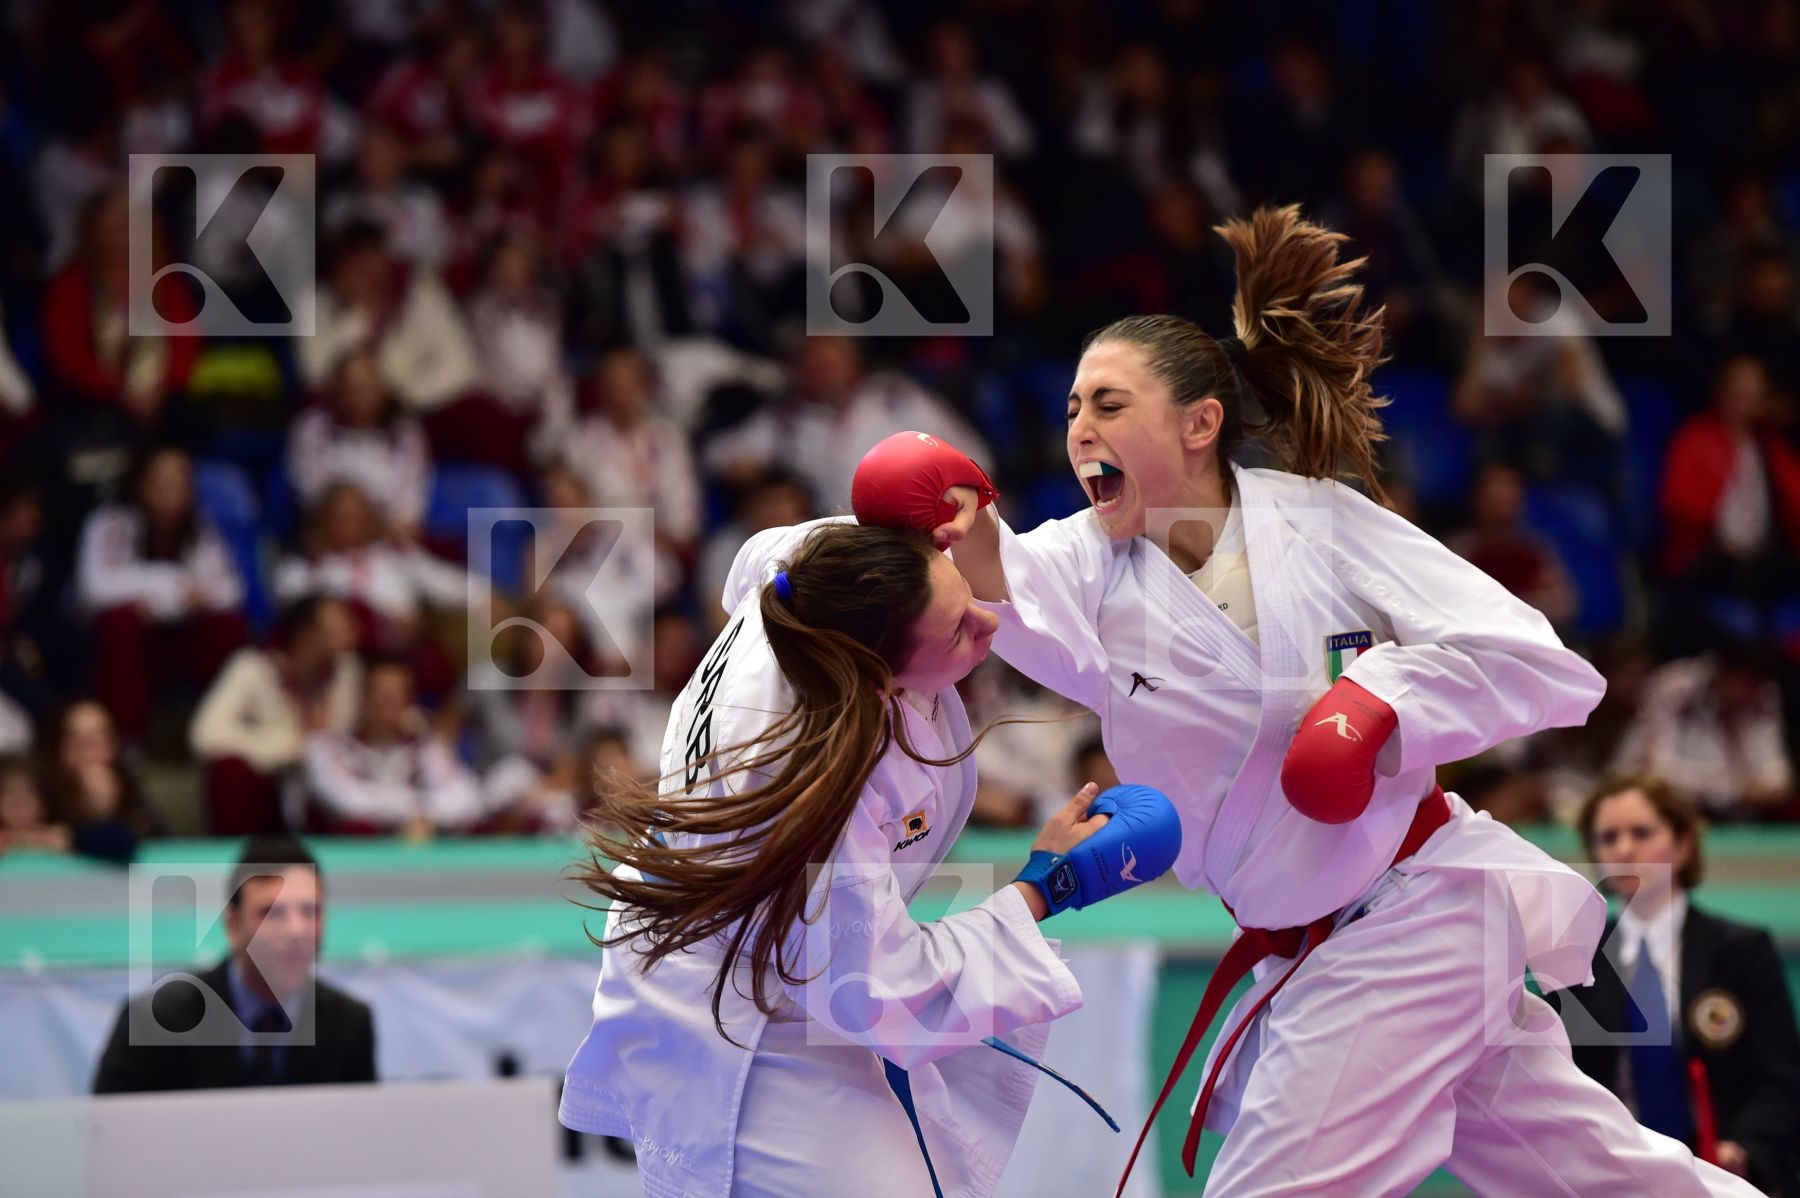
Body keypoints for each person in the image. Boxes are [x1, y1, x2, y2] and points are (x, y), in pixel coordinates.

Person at [853, 204, 1762, 1195]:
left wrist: (1381, 697)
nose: (1080, 428)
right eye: (1071, 408)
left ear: (1200, 424)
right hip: (1314, 947)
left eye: (1108, 404)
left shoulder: (1323, 527)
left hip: (1417, 909)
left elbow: (1537, 658)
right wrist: (961, 516)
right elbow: (1004, 584)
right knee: (1605, 1177)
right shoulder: (1087, 565)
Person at [561, 520, 1182, 1198]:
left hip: (781, 958)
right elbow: (873, 990)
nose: (987, 624)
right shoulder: (818, 776)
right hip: (738, 1020)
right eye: (955, 629)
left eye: (969, 596)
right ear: (877, 674)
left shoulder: (801, 594)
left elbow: (764, 552)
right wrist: (1044, 885)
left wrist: (897, 512)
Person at [1556, 776, 1800, 1196]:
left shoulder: (1741, 951)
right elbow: (1558, 1086)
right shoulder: (1573, 963)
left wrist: (1742, 1150)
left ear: (1684, 844)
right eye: (1608, 837)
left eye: (1642, 833)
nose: (1625, 849)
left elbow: (1781, 1079)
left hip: (1724, 1176)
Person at [93, 835, 377, 1092]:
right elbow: (110, 1137)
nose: (296, 930)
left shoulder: (348, 1025)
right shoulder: (155, 1025)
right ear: (232, 924)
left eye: (310, 911)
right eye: (272, 912)